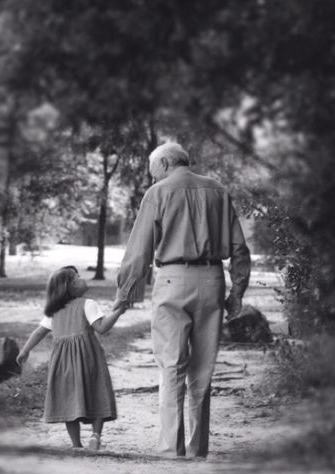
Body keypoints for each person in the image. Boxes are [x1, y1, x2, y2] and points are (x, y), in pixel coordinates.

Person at [115, 142, 251, 458]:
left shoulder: (157, 193)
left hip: (172, 281)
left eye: (154, 172)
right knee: (203, 370)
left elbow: (139, 251)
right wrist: (237, 293)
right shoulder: (218, 191)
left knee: (171, 365)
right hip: (212, 281)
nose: (153, 179)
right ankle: (197, 449)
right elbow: (240, 249)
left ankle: (169, 449)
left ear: (165, 162)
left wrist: (124, 296)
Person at [17, 265, 126, 451]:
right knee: (97, 392)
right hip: (88, 359)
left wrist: (25, 350)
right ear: (70, 286)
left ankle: (76, 445)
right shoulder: (87, 304)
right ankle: (96, 435)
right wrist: (119, 311)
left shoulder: (54, 312)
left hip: (63, 364)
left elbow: (38, 332)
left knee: (68, 400)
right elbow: (102, 328)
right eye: (78, 277)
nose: (83, 278)